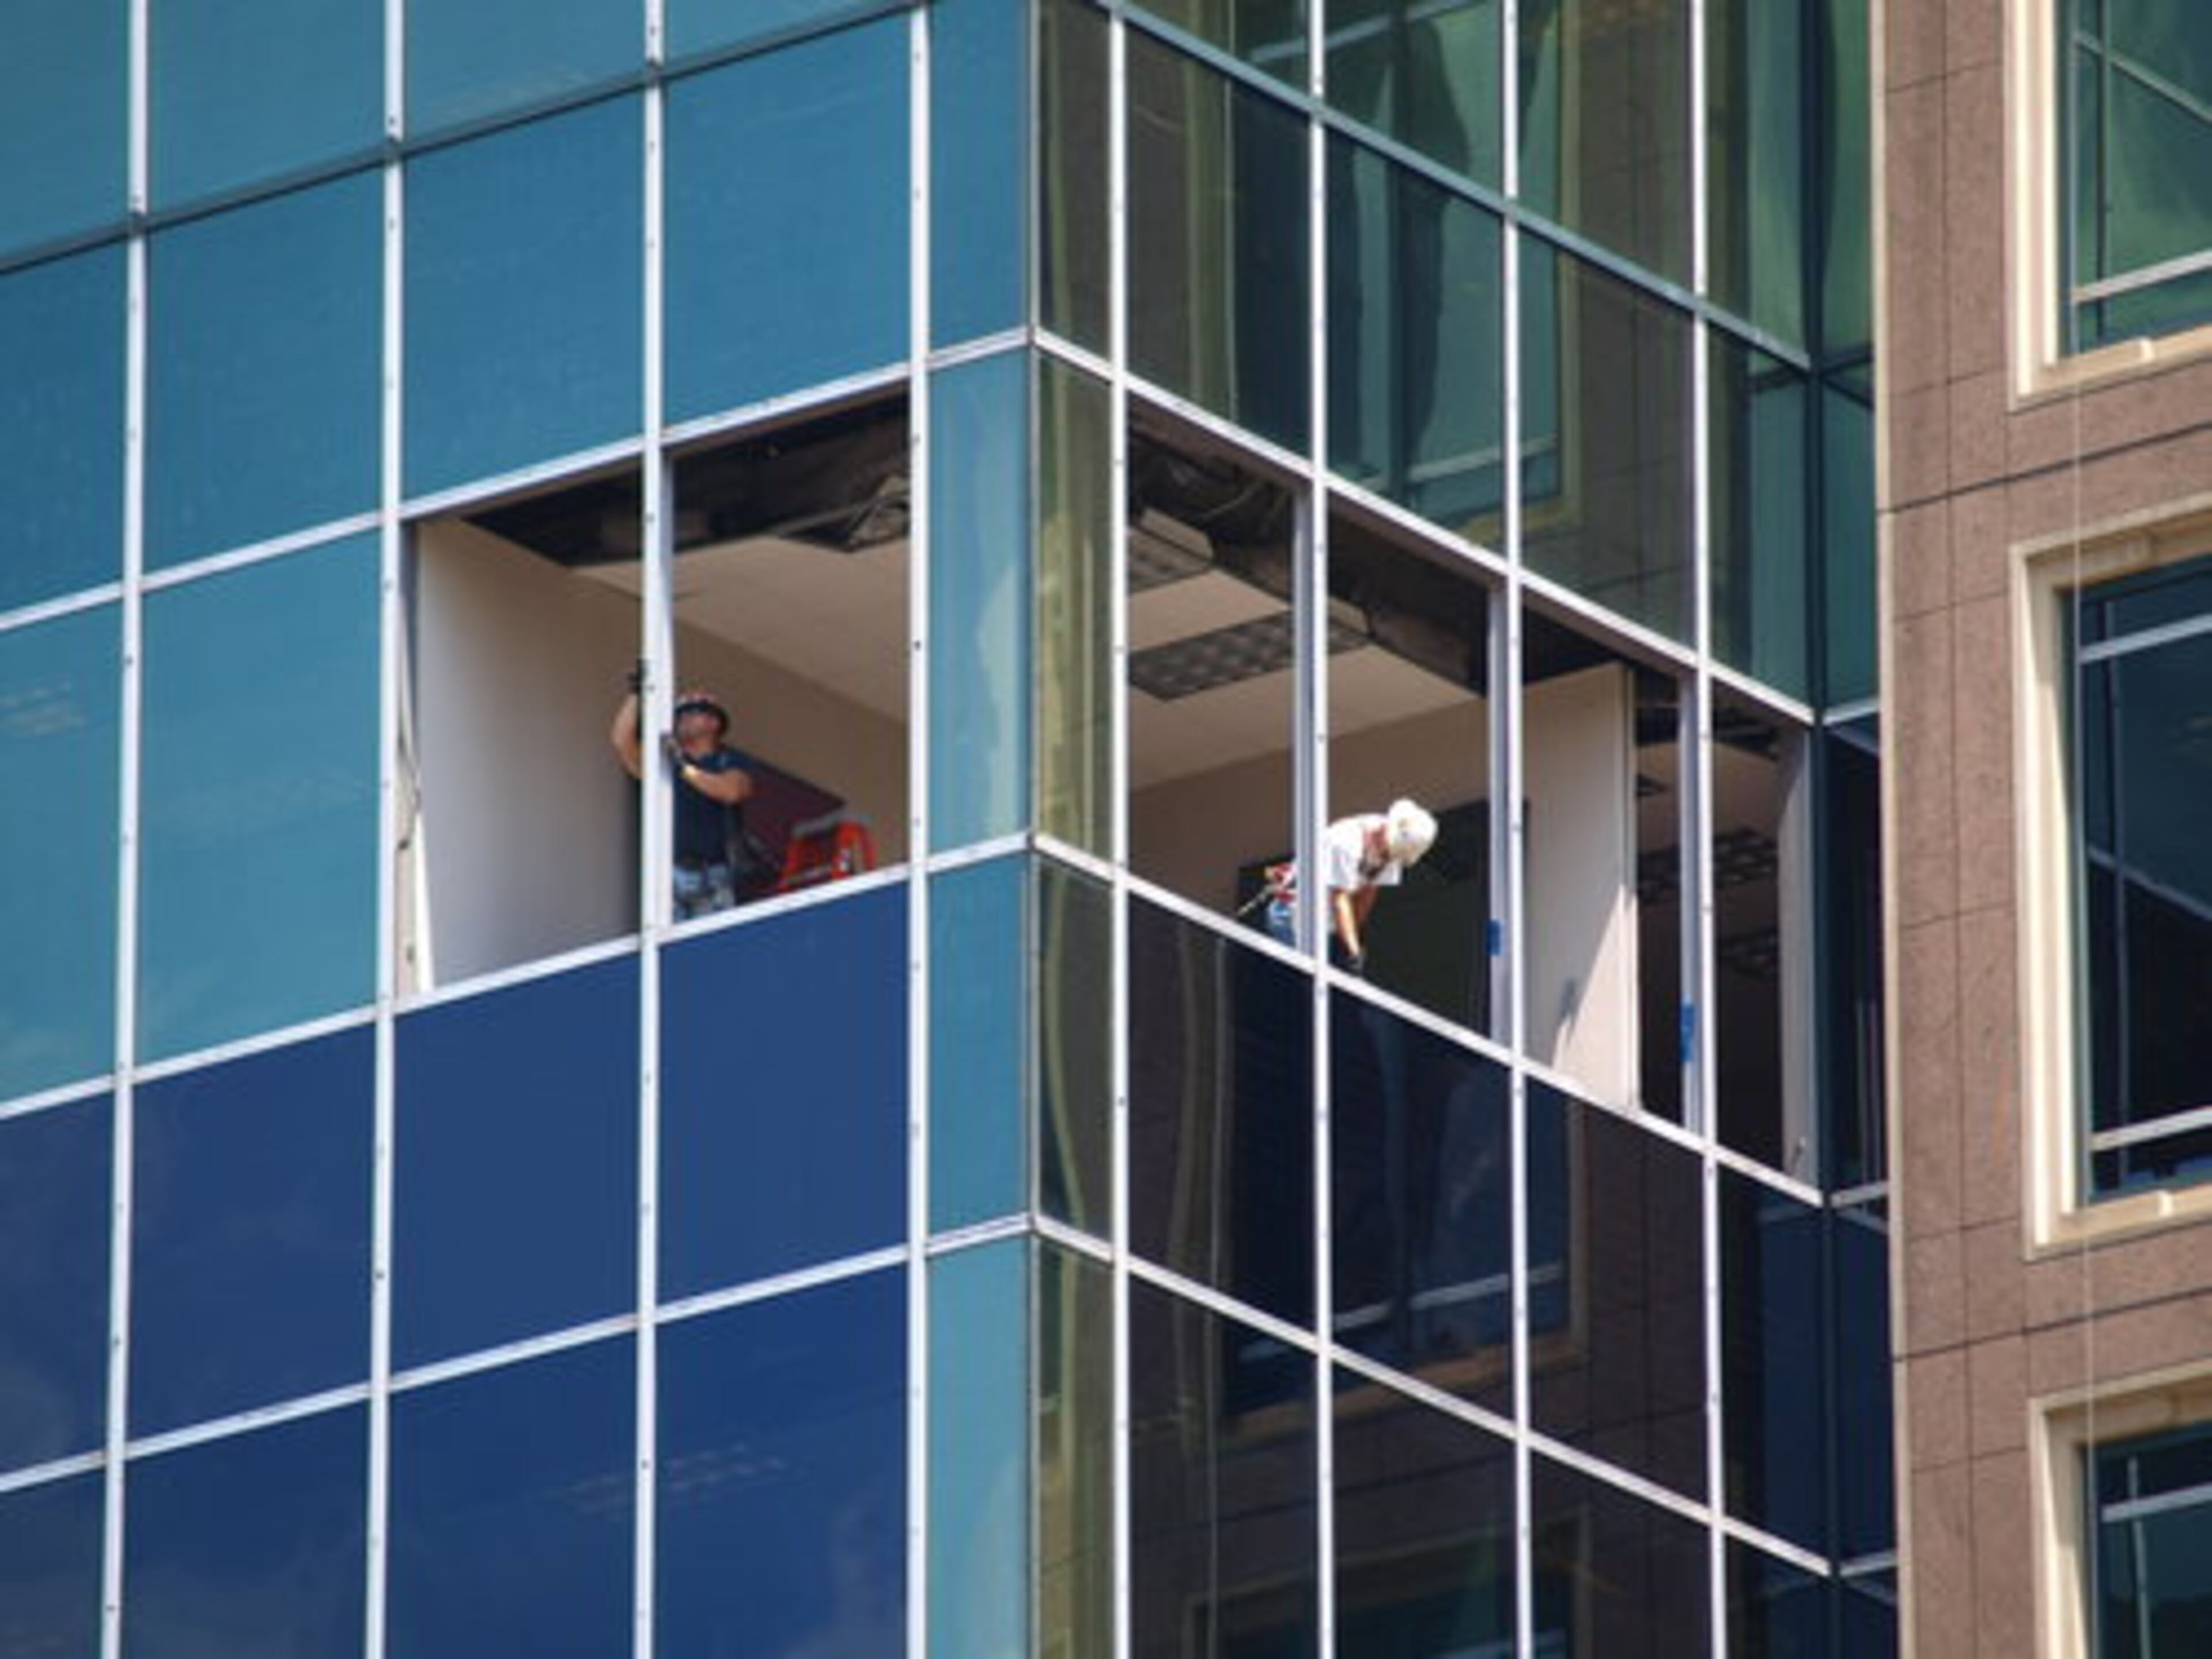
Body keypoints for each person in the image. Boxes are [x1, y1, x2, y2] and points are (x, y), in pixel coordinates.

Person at [611, 677, 757, 920]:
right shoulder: (666, 766)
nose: (683, 718)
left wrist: (685, 770)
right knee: (667, 941)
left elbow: (732, 791)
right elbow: (622, 742)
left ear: (714, 723)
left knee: (713, 940)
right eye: (680, 715)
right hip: (670, 873)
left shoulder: (728, 760)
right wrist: (636, 693)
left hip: (714, 873)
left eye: (693, 712)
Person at [1262, 798, 1438, 974]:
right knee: (1302, 979)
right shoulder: (1346, 841)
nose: (1389, 859)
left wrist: (1353, 938)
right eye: (1389, 853)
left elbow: (1369, 892)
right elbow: (1340, 899)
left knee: (1328, 975)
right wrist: (1353, 951)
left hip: (1324, 925)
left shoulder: (1390, 852)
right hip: (1292, 918)